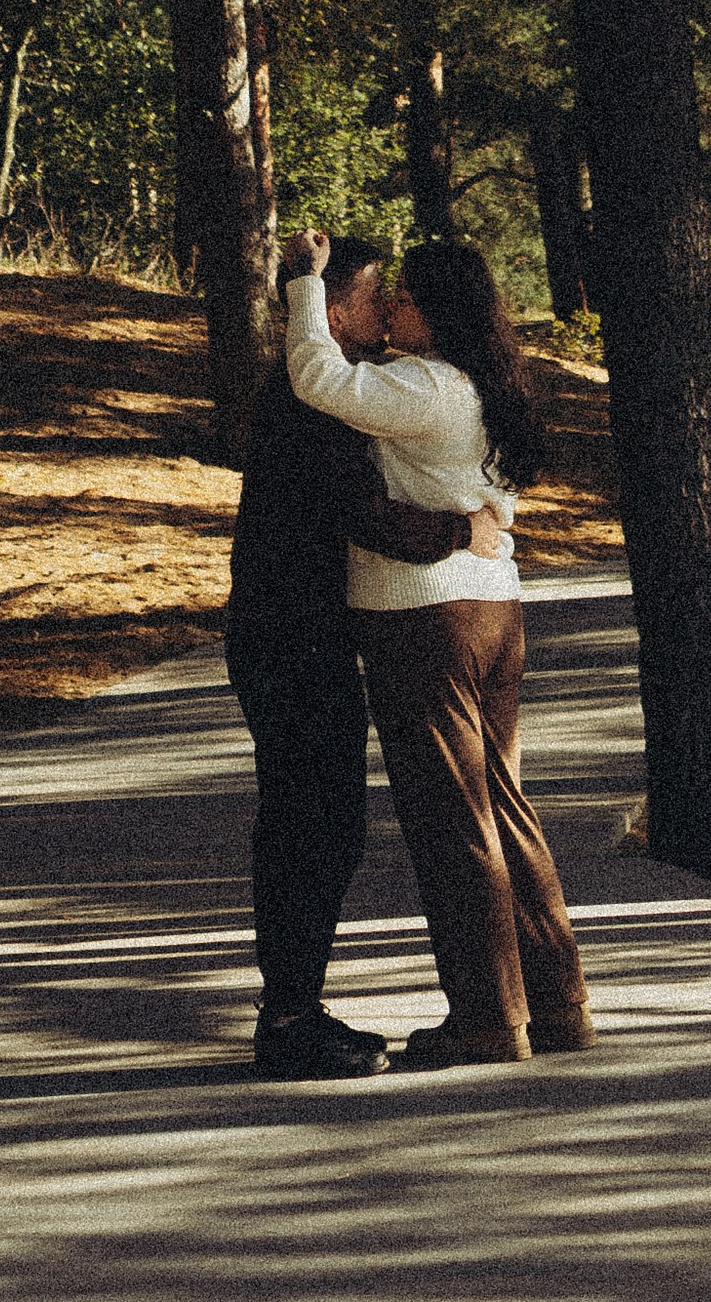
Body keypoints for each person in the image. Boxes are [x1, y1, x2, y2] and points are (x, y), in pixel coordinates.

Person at [283, 225, 591, 1069]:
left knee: (452, 820)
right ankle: (557, 1002)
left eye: (406, 298)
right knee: (506, 807)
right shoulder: (483, 386)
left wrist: (306, 283)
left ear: (441, 312)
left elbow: (316, 376)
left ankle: (487, 1019)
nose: (391, 308)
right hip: (494, 611)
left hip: (424, 618)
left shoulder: (424, 387)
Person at [226, 226, 504, 1080]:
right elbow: (364, 514)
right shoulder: (311, 396)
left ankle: (295, 1009)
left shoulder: (343, 387)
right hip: (288, 636)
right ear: (335, 313)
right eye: (375, 296)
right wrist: (461, 529)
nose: (388, 310)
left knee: (324, 824)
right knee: (310, 825)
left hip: (305, 633)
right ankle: (288, 1020)